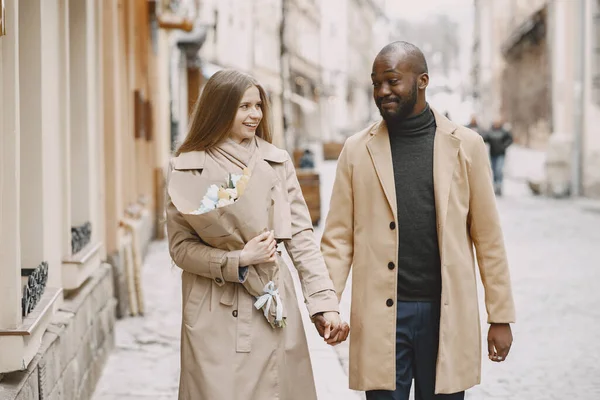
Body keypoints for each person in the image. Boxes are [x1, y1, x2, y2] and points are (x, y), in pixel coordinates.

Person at [320, 41, 516, 399]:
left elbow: (488, 239)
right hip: (380, 316)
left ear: (422, 80)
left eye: (392, 81)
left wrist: (499, 315)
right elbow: (337, 238)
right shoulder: (356, 150)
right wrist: (325, 304)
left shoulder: (466, 145)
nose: (383, 92)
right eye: (376, 83)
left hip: (446, 313)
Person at [166, 69, 349, 400]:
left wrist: (324, 304)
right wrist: (236, 259)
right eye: (243, 107)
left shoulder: (277, 162)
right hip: (213, 306)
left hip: (271, 299)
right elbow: (180, 250)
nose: (254, 115)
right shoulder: (187, 167)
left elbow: (302, 240)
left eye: (258, 106)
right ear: (219, 110)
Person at [482, 120, 513, 196]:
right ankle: (495, 186)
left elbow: (510, 139)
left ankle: (499, 185)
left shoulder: (503, 132)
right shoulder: (490, 131)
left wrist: (504, 146)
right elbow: (484, 139)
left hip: (501, 155)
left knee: (499, 170)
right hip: (493, 155)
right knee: (494, 171)